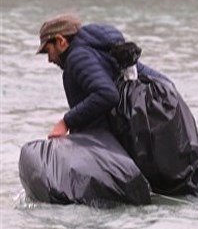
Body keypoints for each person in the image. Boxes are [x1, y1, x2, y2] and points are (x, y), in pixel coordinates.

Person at [36, 14, 166, 138]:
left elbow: (107, 94)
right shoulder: (102, 50)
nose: (49, 59)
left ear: (61, 41)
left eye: (48, 51)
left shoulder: (77, 58)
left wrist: (66, 122)